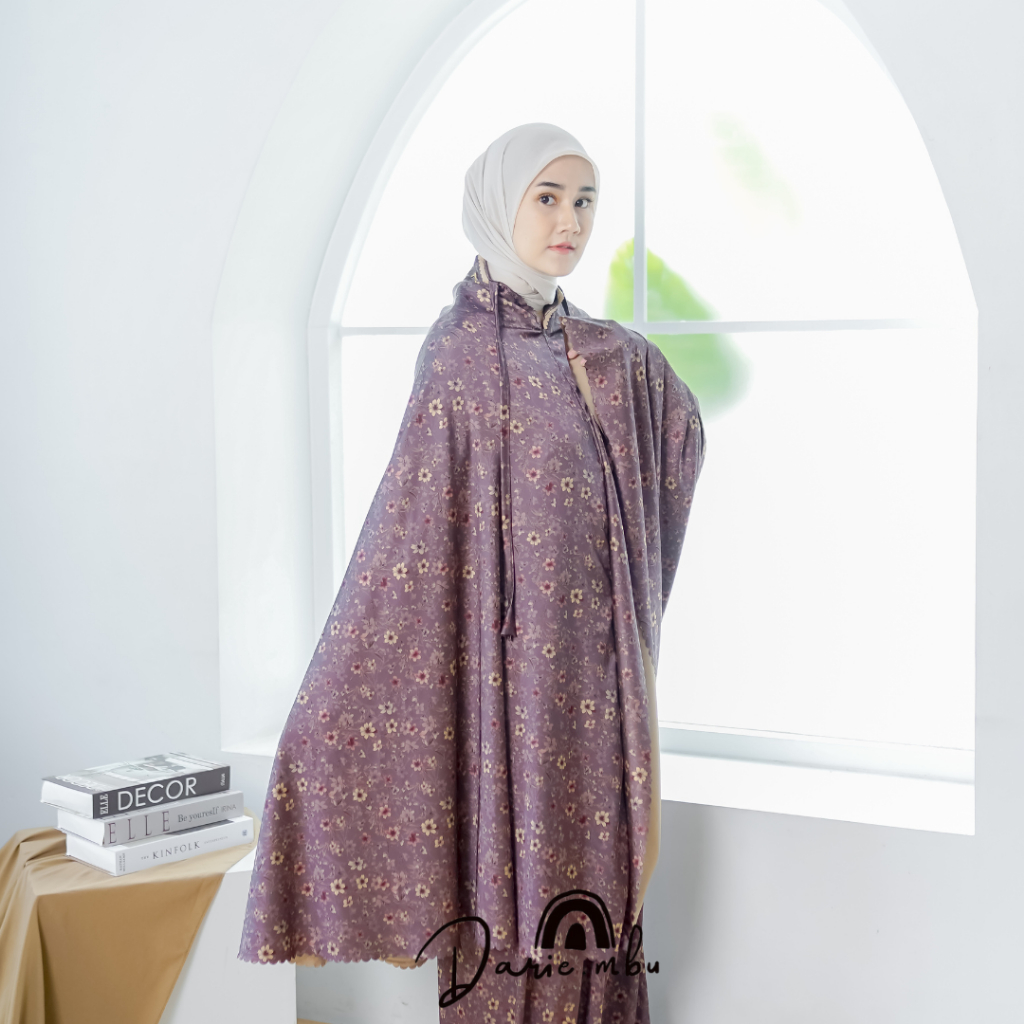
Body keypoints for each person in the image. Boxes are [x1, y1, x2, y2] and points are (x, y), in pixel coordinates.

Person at [239, 123, 705, 1024]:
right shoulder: (459, 355)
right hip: (508, 700)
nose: (570, 221)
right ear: (498, 206)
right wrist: (319, 716)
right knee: (516, 910)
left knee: (600, 902)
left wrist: (617, 372)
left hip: (595, 687)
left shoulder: (597, 354)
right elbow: (407, 534)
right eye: (547, 198)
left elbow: (676, 430)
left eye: (584, 201)